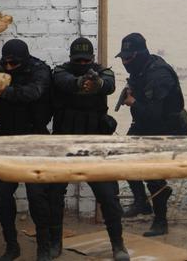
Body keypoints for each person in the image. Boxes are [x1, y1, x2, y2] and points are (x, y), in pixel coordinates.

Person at [51, 37, 129, 261]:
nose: (83, 64)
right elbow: (64, 81)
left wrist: (96, 84)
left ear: (93, 59)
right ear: (71, 59)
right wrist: (80, 84)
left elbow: (109, 84)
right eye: (79, 61)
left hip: (95, 145)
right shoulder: (60, 72)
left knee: (108, 196)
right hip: (65, 142)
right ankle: (55, 242)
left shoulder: (103, 72)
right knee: (55, 195)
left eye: (87, 61)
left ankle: (118, 244)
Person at [0, 39, 57, 261]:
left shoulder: (40, 70)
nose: (8, 67)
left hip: (34, 137)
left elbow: (32, 93)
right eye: (5, 63)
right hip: (6, 136)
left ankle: (43, 247)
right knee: (3, 198)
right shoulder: (2, 67)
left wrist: (3, 88)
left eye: (13, 64)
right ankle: (11, 245)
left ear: (23, 60)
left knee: (37, 197)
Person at [116, 33, 187, 237]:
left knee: (153, 173)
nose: (124, 62)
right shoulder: (142, 68)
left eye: (128, 58)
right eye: (122, 57)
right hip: (145, 123)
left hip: (168, 127)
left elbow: (155, 115)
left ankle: (160, 221)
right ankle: (142, 203)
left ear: (140, 54)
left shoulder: (159, 75)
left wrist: (132, 102)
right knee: (124, 156)